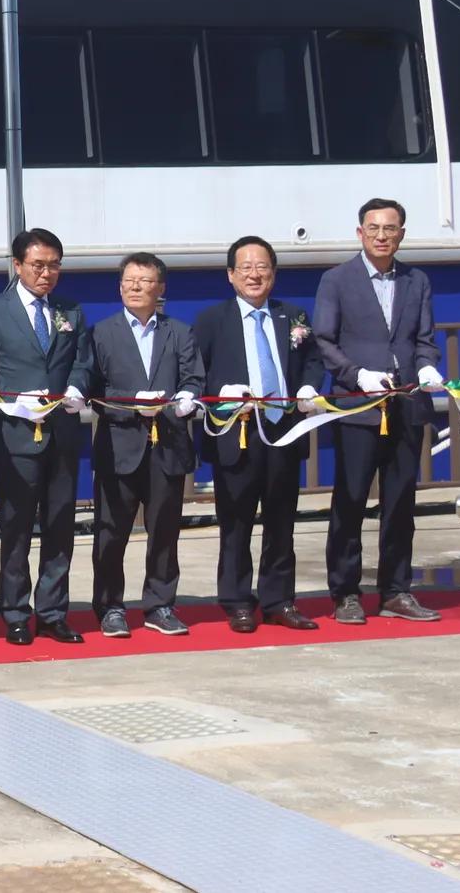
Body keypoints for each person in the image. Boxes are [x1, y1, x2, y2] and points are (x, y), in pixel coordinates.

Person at [311, 197, 445, 624]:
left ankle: (396, 591)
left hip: (406, 405)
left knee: (401, 504)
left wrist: (426, 366)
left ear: (401, 234)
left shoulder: (416, 280)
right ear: (360, 233)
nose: (381, 236)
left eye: (390, 229)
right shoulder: (337, 279)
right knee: (350, 501)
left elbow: (424, 339)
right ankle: (345, 593)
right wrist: (356, 374)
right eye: (374, 228)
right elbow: (324, 339)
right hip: (358, 406)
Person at [193, 236, 323, 633]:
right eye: (246, 268)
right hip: (238, 434)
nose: (254, 275)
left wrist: (308, 387)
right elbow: (195, 375)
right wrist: (225, 396)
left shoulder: (292, 315)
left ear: (274, 273)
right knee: (236, 523)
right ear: (231, 275)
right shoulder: (211, 320)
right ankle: (237, 601)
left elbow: (312, 360)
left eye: (262, 267)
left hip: (283, 431)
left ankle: (279, 600)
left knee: (282, 522)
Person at [0, 227, 95, 646]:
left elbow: (83, 361)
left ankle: (53, 612)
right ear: (18, 265)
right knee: (17, 525)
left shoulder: (70, 310)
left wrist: (77, 386)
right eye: (38, 265)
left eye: (54, 266)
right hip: (16, 433)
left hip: (62, 431)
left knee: (60, 524)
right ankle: (15, 612)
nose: (46, 274)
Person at [82, 252, 205, 639]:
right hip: (119, 445)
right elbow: (93, 390)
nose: (136, 287)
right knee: (110, 533)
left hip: (167, 445)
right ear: (120, 286)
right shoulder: (101, 333)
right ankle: (110, 607)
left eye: (145, 281)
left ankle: (160, 604)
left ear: (160, 288)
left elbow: (193, 378)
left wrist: (187, 398)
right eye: (129, 281)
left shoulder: (179, 332)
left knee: (165, 532)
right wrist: (130, 402)